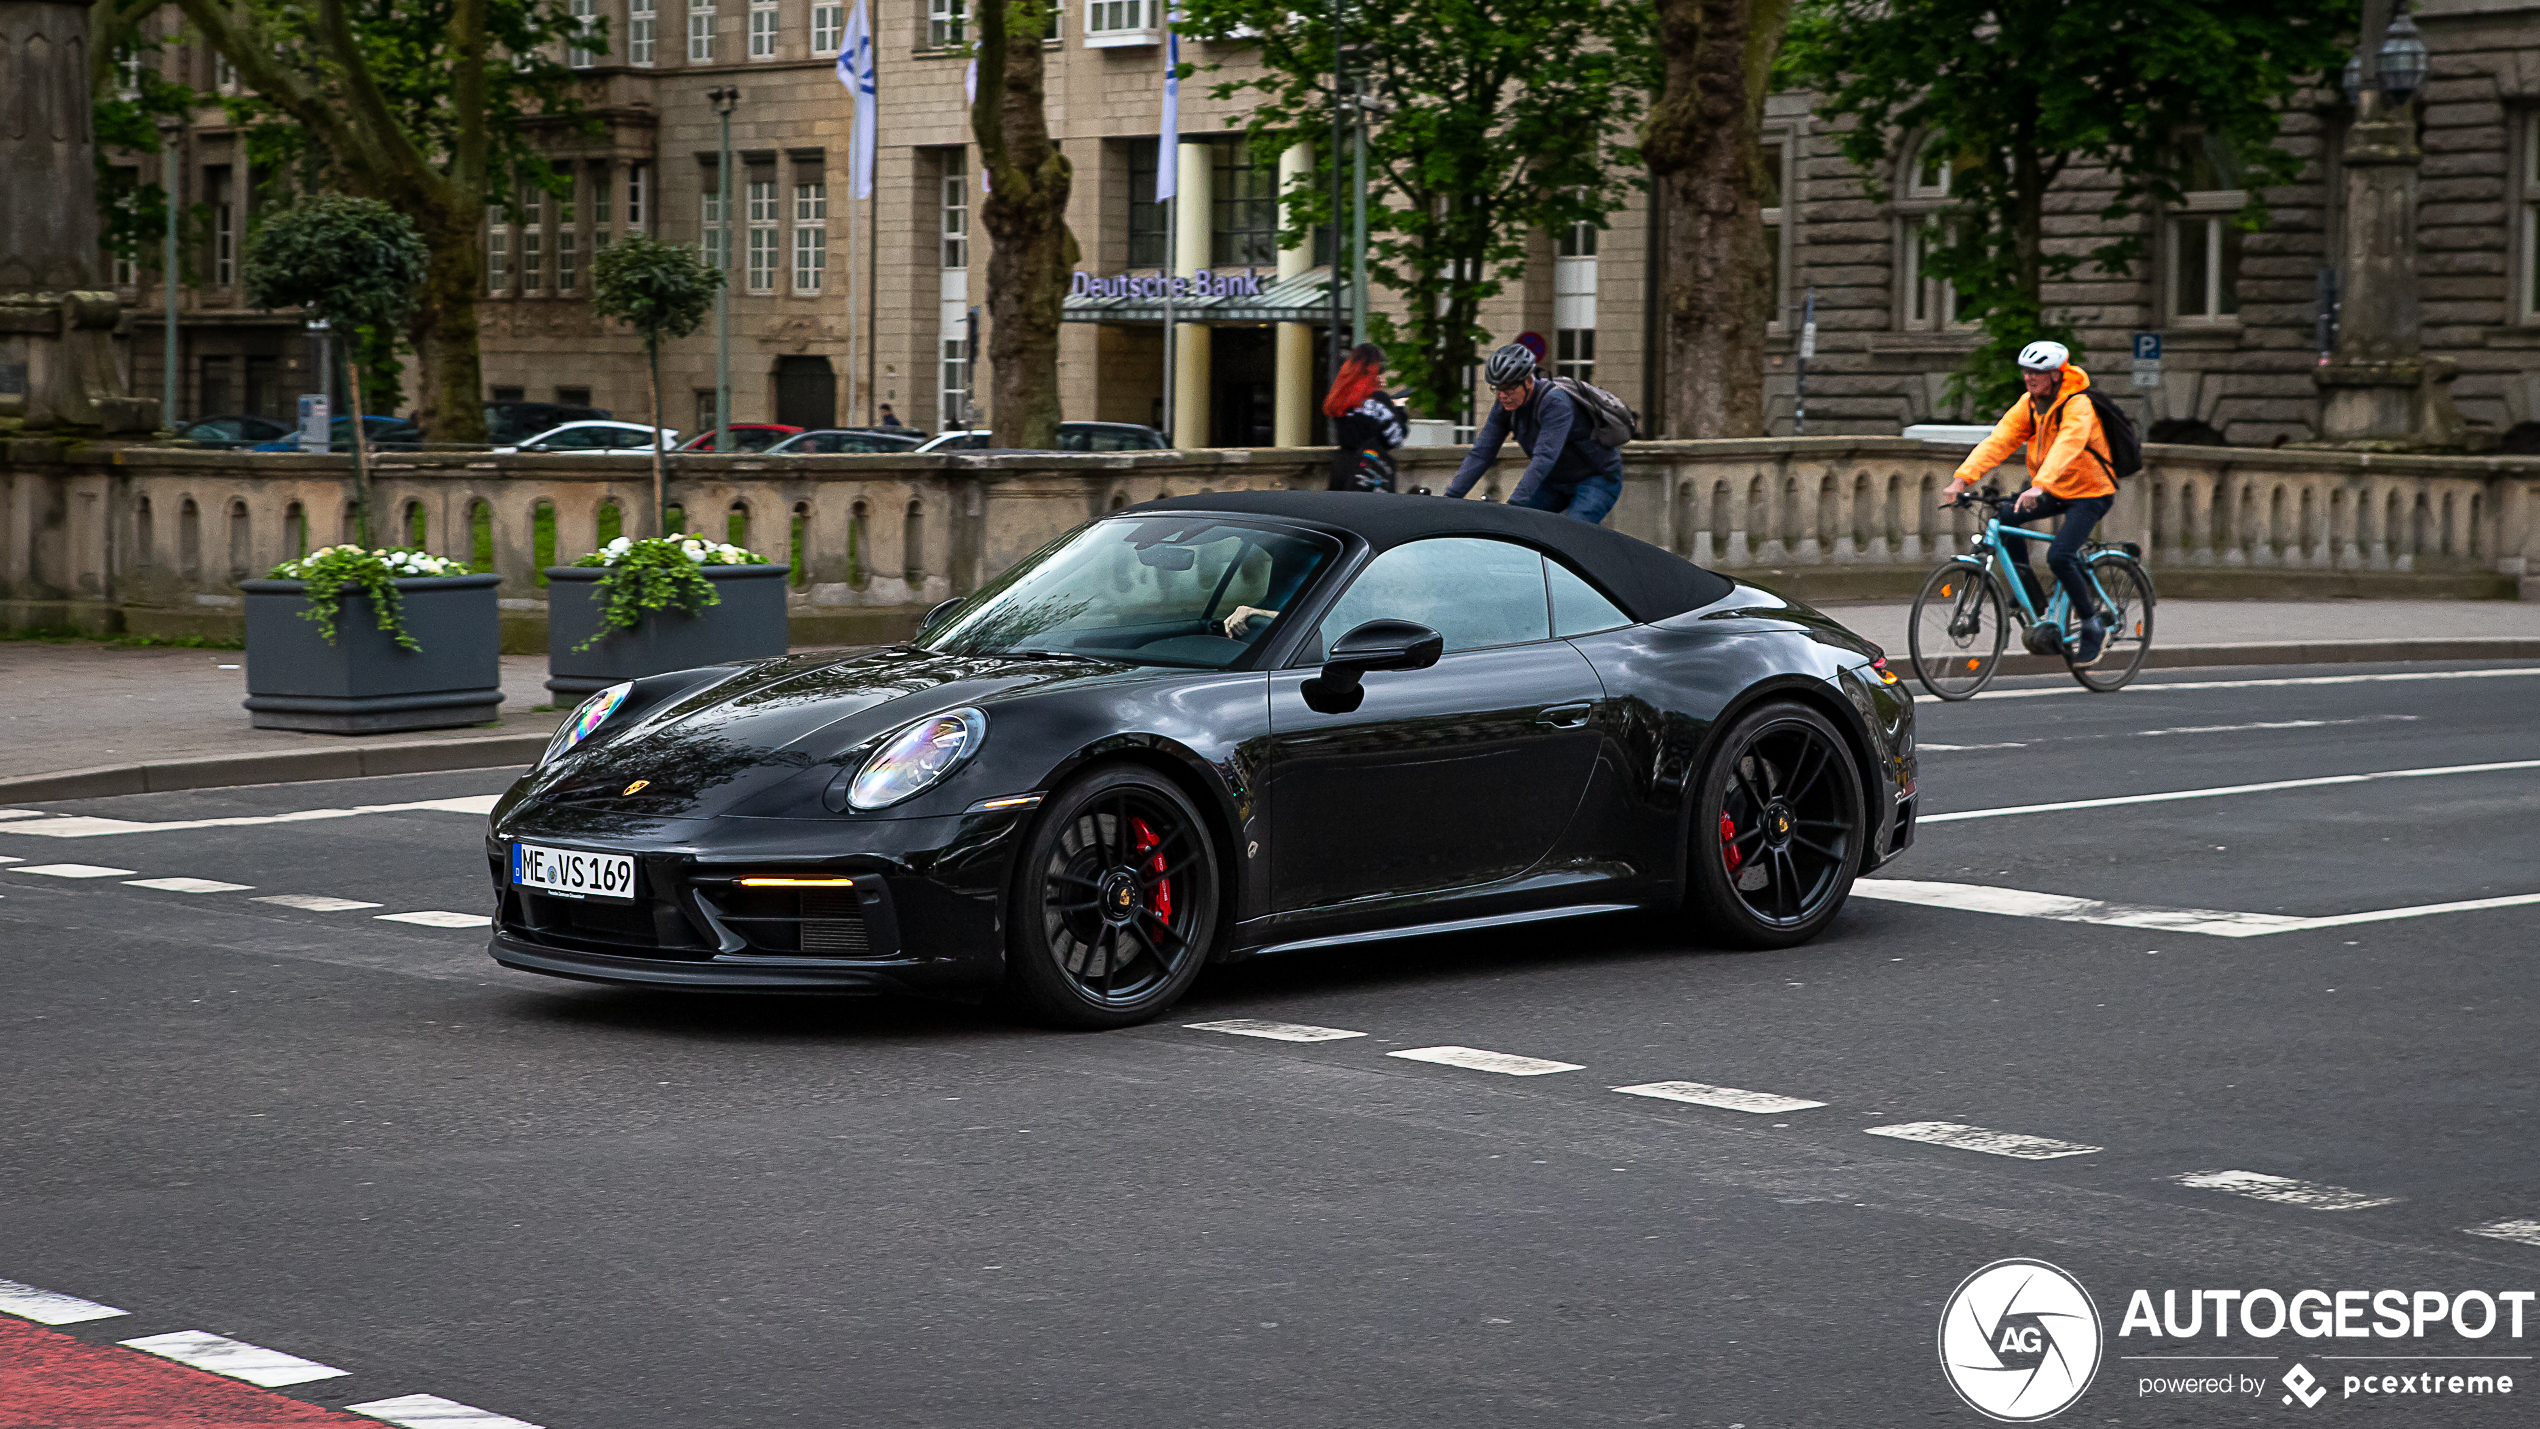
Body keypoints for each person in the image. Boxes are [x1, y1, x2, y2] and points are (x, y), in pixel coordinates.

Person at [1940, 339, 2119, 665]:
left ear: (2056, 375)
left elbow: (2069, 444)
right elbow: (1998, 441)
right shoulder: (2029, 405)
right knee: (2005, 519)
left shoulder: (2078, 405)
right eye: (2026, 371)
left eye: (2038, 372)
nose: (2030, 377)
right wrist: (1962, 479)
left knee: (2061, 555)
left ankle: (2093, 625)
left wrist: (2039, 485)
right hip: (2052, 488)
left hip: (2091, 491)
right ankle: (2035, 602)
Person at [1444, 343, 1623, 524]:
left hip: (1595, 479)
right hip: (1554, 481)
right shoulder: (1504, 407)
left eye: (1509, 388)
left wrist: (1514, 505)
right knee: (1515, 528)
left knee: (1573, 533)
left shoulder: (1556, 403)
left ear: (1528, 382)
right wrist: (1449, 500)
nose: (1503, 395)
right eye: (1497, 388)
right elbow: (1482, 453)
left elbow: (1543, 458)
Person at [1322, 343, 1410, 492]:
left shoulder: (1340, 397)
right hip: (1370, 472)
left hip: (1342, 470)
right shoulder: (1377, 399)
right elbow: (1395, 437)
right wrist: (1399, 410)